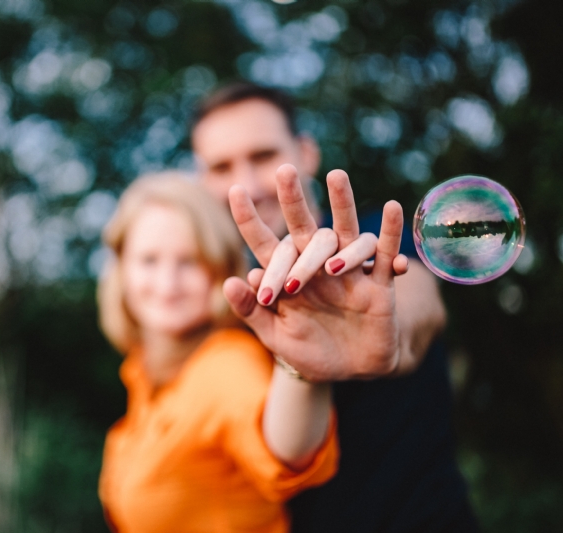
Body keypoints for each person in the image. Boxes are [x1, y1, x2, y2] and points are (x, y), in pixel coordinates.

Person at [190, 82, 479, 532]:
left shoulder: (375, 244)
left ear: (306, 152)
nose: (246, 184)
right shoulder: (220, 302)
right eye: (221, 166)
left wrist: (388, 337)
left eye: (263, 156)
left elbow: (420, 309)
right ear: (202, 181)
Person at [96, 173, 340, 533]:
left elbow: (286, 450)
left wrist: (301, 358)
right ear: (122, 270)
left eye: (189, 261)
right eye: (149, 260)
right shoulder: (143, 375)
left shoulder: (226, 363)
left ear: (220, 267)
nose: (167, 284)